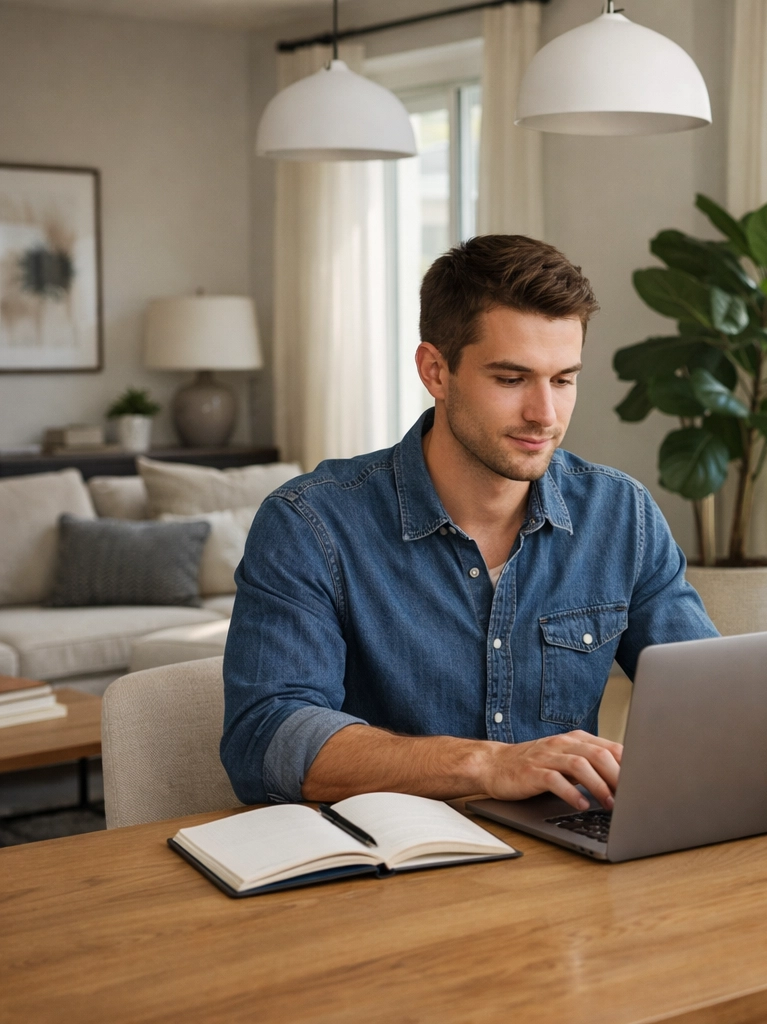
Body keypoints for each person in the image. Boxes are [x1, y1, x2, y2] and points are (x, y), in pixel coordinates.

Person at [220, 235, 719, 811]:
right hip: (393, 869)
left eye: (563, 379)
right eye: (511, 380)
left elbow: (704, 696)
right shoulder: (311, 525)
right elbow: (267, 740)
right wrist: (487, 764)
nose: (545, 415)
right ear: (435, 370)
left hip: (565, 861)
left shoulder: (619, 515)